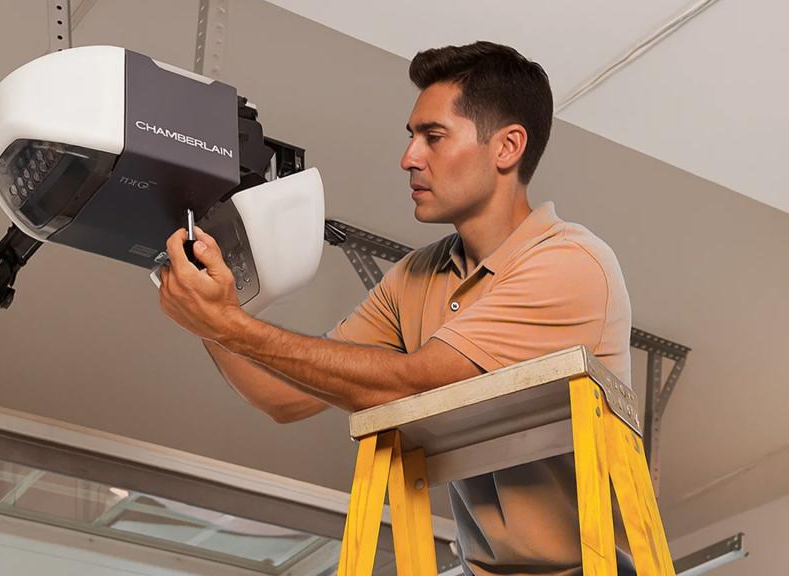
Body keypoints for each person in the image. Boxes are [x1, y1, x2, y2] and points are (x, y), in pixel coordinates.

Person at [157, 41, 635, 576]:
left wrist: (230, 324)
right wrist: (208, 309)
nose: (409, 158)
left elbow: (420, 386)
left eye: (433, 137)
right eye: (411, 138)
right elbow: (283, 398)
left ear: (507, 148)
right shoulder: (415, 277)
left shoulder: (569, 263)